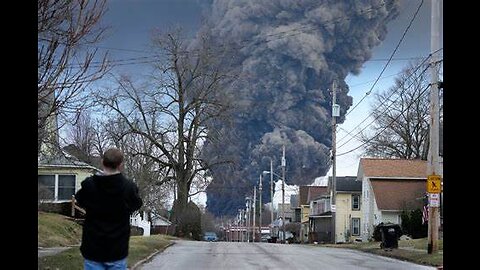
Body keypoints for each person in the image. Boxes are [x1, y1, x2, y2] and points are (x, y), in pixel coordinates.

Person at [75, 148, 143, 270]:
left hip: (93, 249)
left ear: (102, 162)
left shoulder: (89, 185)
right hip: (117, 250)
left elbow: (79, 200)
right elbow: (137, 204)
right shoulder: (128, 188)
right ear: (121, 165)